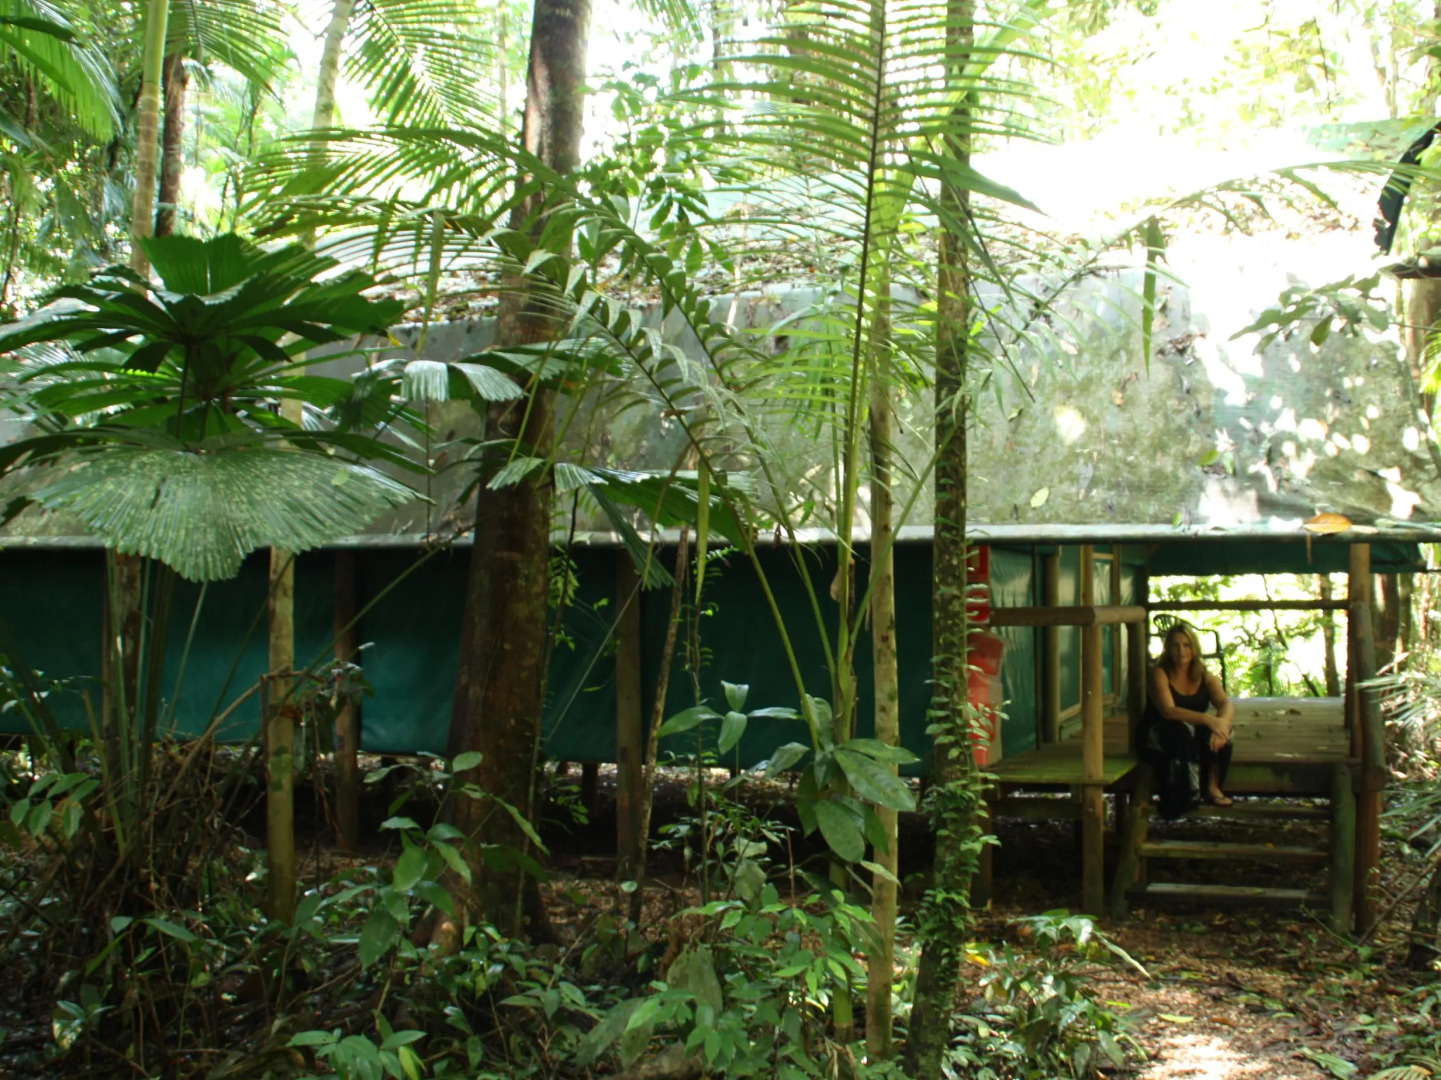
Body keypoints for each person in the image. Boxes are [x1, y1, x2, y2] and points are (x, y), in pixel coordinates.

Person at [1137, 621, 1236, 818]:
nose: (1181, 651)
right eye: (1175, 645)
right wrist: (1208, 719)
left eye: (1186, 645)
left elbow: (1225, 704)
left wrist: (1221, 726)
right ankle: (1186, 793)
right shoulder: (1160, 672)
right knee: (1182, 733)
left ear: (1194, 648)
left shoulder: (1204, 674)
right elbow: (1168, 710)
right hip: (1159, 731)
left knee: (1221, 733)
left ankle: (1212, 786)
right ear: (1168, 649)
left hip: (1191, 729)